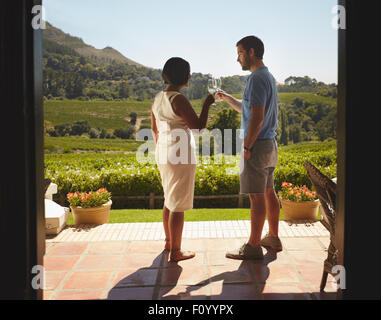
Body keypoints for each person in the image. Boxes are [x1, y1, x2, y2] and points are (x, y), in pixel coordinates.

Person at [215, 36, 282, 260]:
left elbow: (258, 118)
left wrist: (246, 145)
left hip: (258, 145)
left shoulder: (256, 78)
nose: (237, 58)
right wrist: (226, 98)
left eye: (240, 53)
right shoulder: (268, 76)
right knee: (268, 191)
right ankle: (273, 236)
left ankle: (253, 246)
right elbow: (249, 110)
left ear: (251, 52)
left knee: (256, 197)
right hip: (270, 144)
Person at [151, 57, 215, 262]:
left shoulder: (158, 98)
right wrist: (207, 104)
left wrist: (164, 146)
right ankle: (176, 252)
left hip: (163, 151)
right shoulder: (178, 99)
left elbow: (154, 129)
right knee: (177, 203)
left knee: (169, 199)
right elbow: (198, 127)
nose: (189, 76)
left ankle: (169, 243)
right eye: (188, 73)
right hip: (179, 154)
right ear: (183, 76)